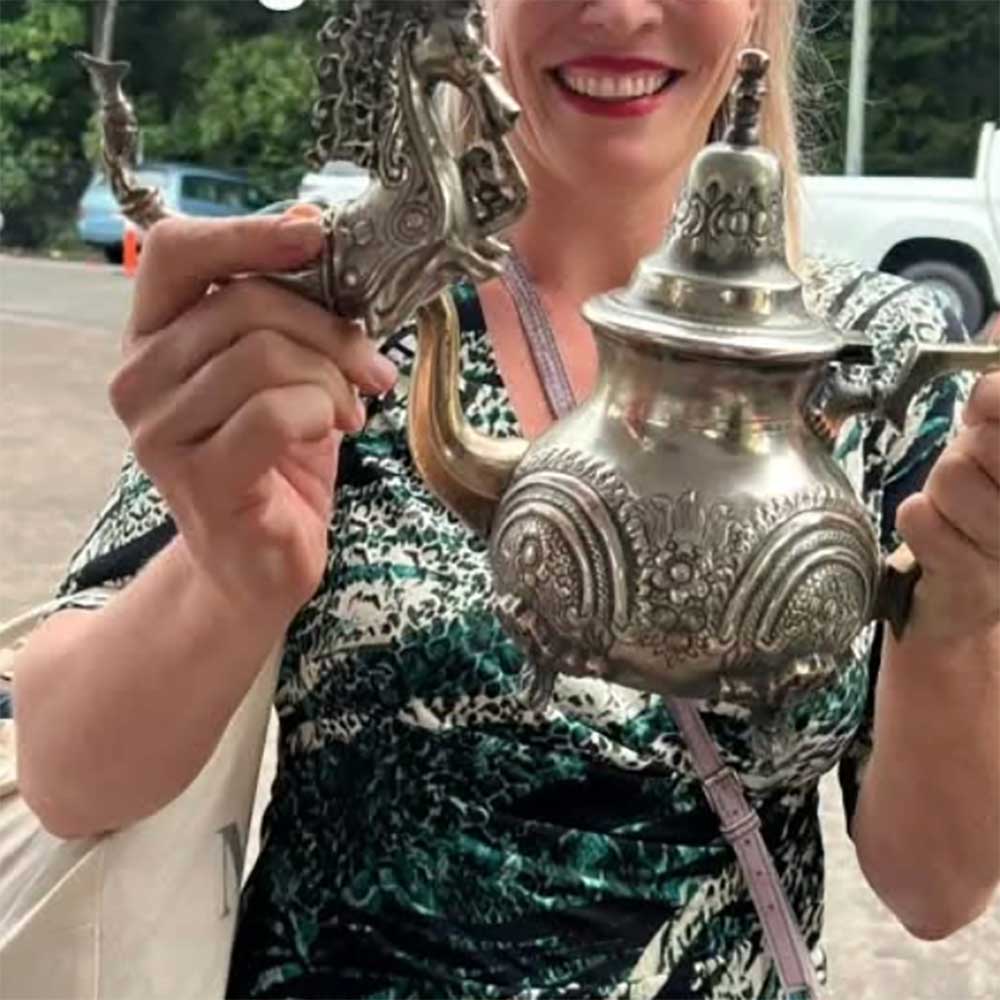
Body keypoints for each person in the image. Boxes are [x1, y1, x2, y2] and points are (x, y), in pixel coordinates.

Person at [12, 1, 1000, 997]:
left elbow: (937, 887)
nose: (619, 10)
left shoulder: (872, 358)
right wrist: (226, 580)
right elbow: (70, 779)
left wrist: (956, 621)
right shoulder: (345, 305)